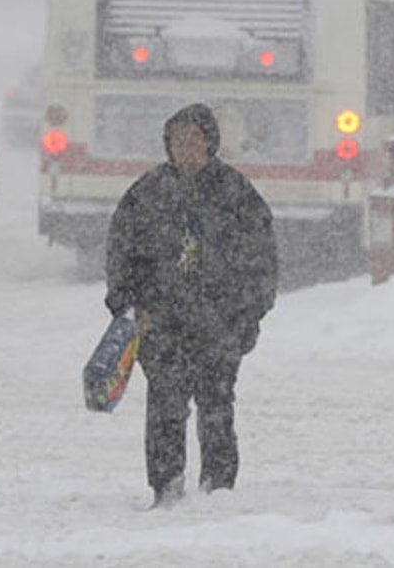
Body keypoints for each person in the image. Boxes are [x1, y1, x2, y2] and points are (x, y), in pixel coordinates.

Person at [105, 103, 278, 508]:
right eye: (177, 141)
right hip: (160, 325)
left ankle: (218, 488)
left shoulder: (236, 192)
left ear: (210, 143)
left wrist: (248, 313)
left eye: (194, 140)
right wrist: (128, 307)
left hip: (221, 324)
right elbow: (120, 253)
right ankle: (165, 486)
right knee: (165, 404)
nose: (185, 149)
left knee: (217, 405)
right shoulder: (146, 193)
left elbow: (262, 258)